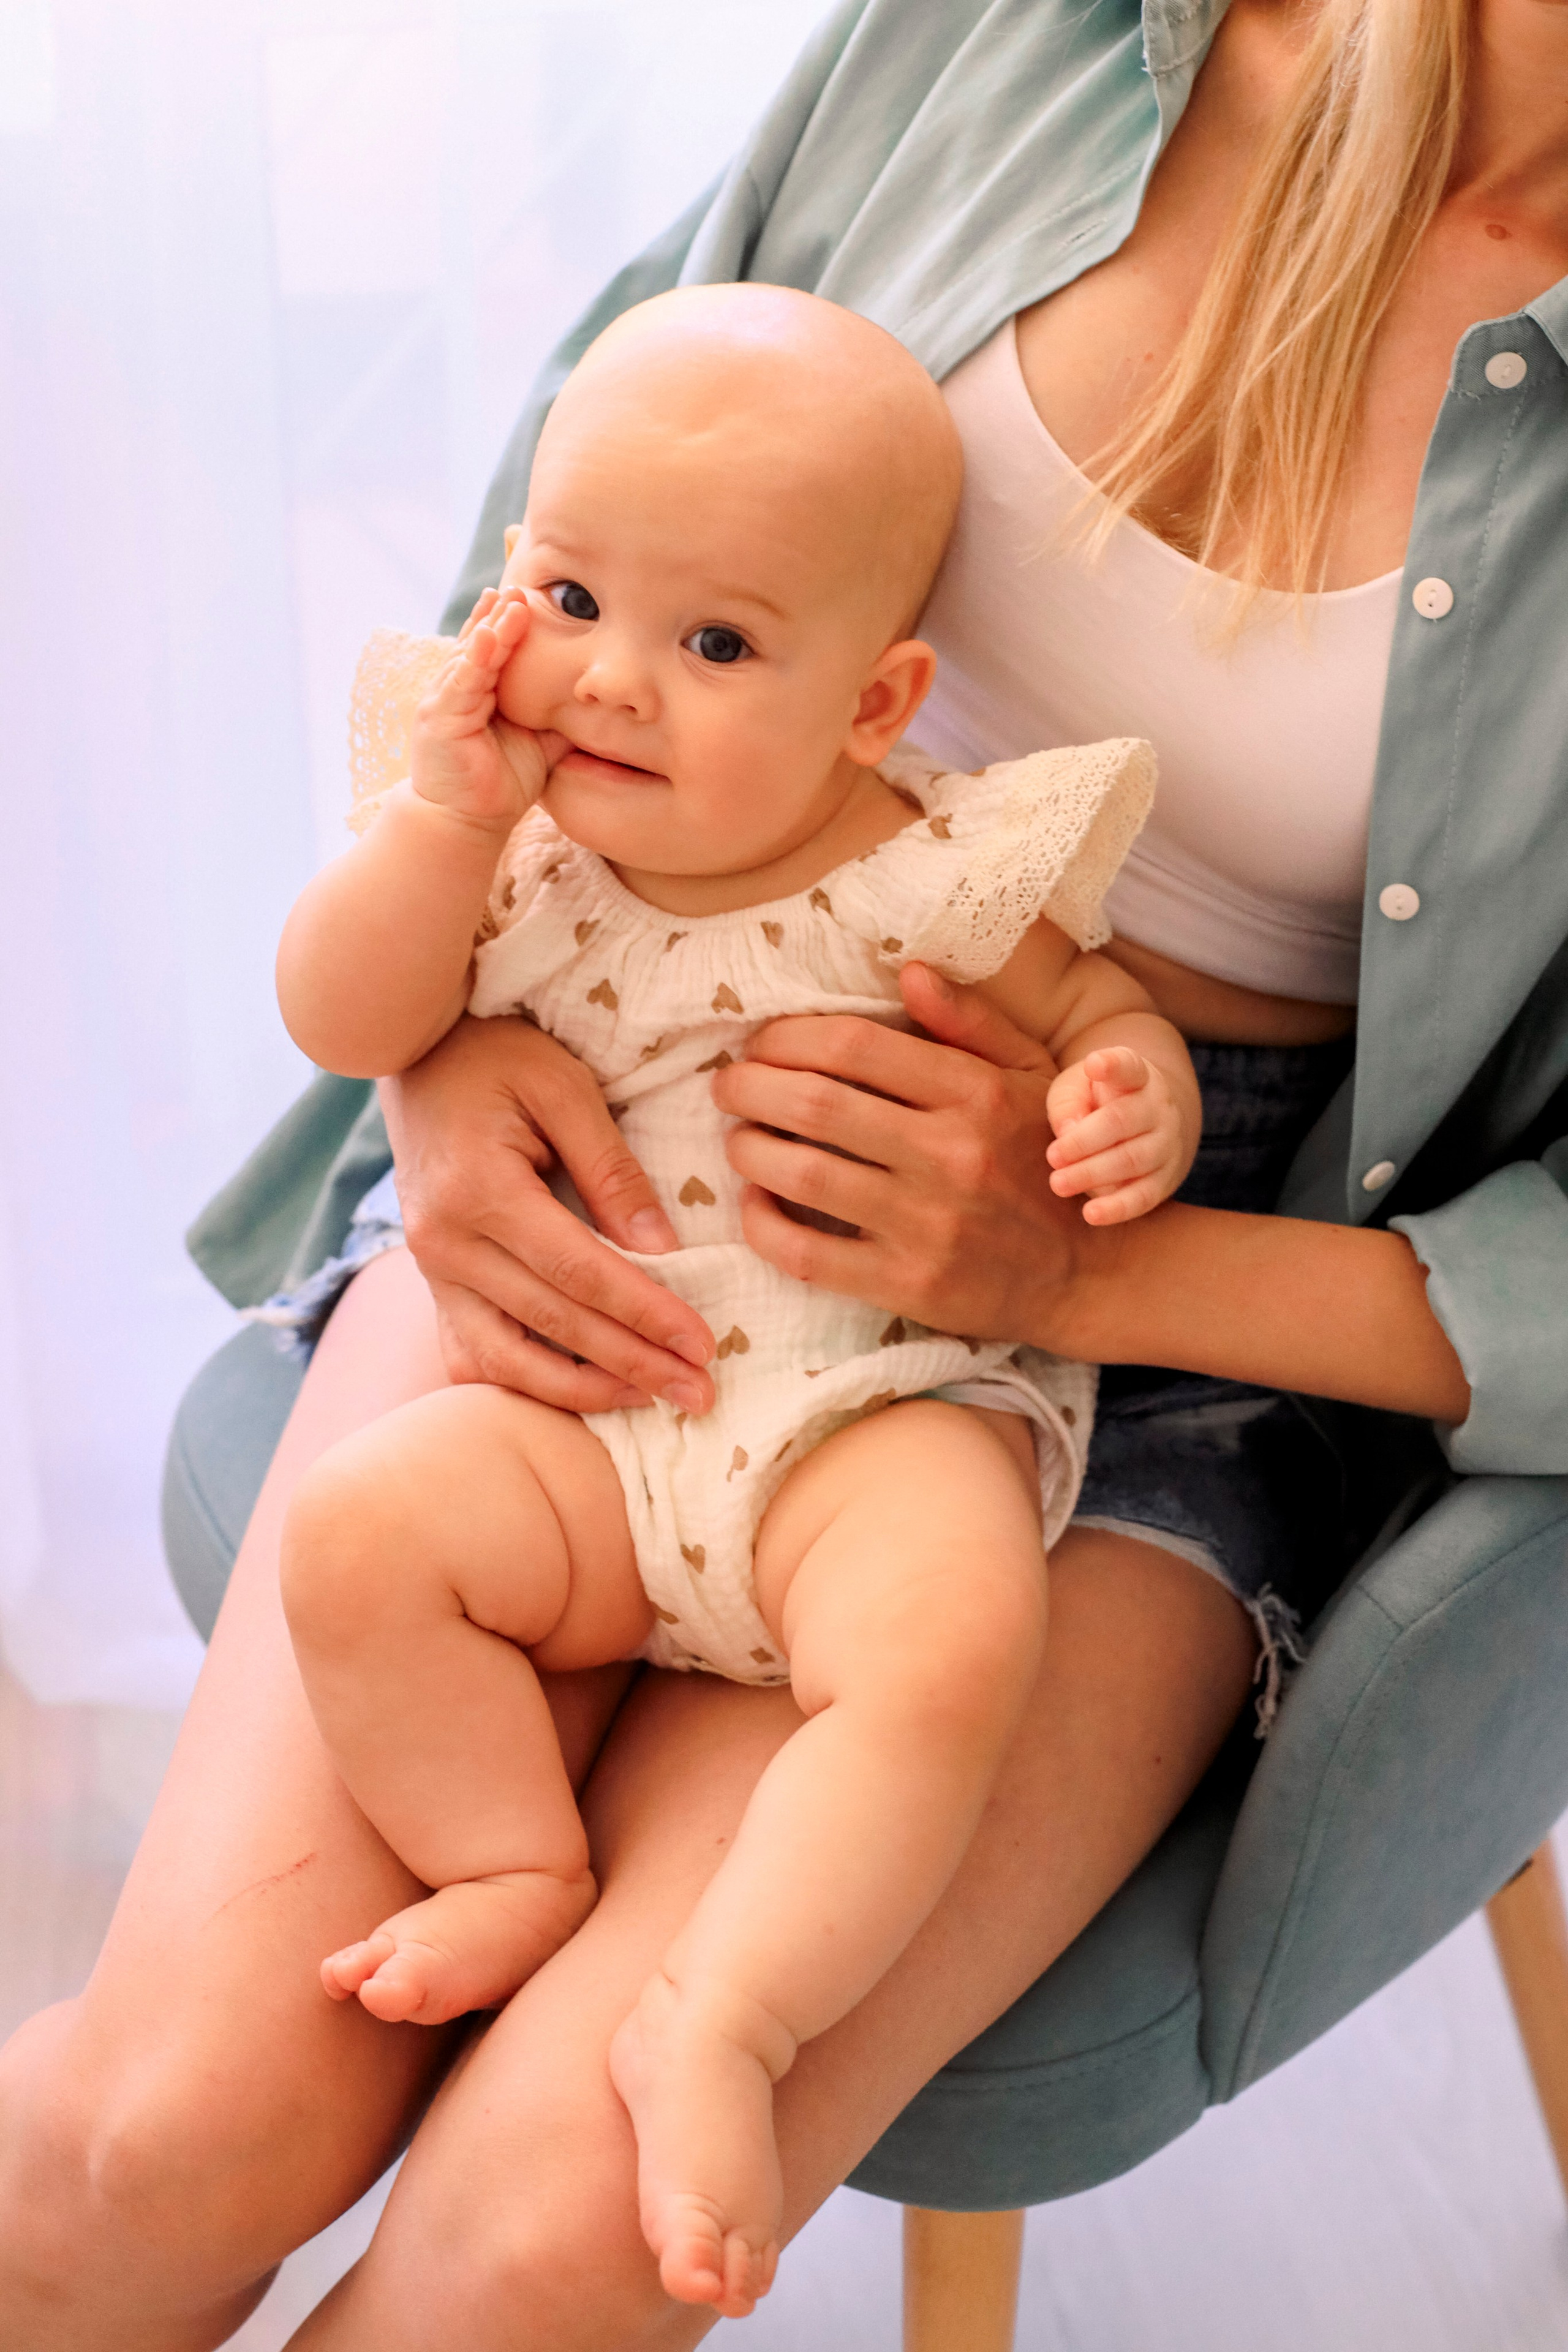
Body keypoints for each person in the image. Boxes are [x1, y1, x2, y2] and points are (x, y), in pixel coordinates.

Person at [3, 0, 1566, 2343]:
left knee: (547, 2248)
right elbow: (567, 545)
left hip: (1179, 1301)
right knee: (173, 2124)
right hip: (616, 1091)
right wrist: (455, 1037)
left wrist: (1078, 1271)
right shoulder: (1031, 37)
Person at [273, 283, 1196, 2316]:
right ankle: (513, 1860)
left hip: (861, 1421)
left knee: (953, 1643)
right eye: (572, 594)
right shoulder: (497, 846)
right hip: (588, 1432)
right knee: (357, 1540)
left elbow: (1090, 1002)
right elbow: (343, 1015)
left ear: (876, 706)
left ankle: (728, 2017)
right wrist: (439, 824)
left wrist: (1137, 1079)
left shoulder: (920, 870)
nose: (608, 685)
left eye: (712, 646)